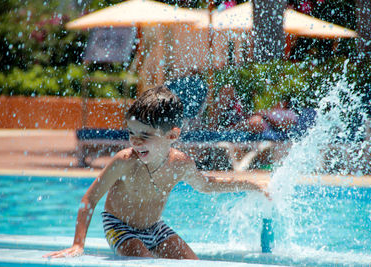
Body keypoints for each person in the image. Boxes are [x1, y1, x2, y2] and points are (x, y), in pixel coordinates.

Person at [43, 85, 269, 260]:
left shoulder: (180, 164)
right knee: (145, 260)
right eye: (131, 132)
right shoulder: (125, 161)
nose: (135, 141)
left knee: (194, 263)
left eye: (145, 135)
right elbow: (89, 199)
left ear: (171, 136)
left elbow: (208, 185)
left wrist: (250, 184)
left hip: (155, 227)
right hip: (119, 227)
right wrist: (78, 244)